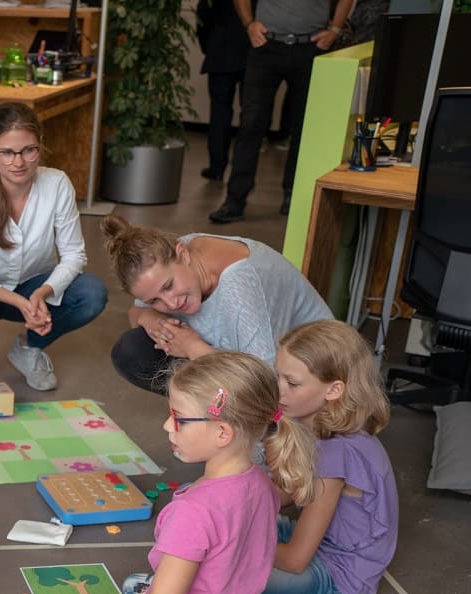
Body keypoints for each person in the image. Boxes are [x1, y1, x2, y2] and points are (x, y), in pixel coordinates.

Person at [23, 351, 317, 594]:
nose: (167, 424)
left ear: (223, 433)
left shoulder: (194, 512)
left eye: (178, 417)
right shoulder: (260, 484)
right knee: (137, 585)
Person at [0, 102, 107, 392]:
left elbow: (74, 255)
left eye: (28, 150)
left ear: (40, 146)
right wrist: (17, 302)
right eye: (6, 152)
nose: (18, 162)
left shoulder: (57, 184)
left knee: (92, 293)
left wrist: (42, 292)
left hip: (34, 287)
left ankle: (29, 347)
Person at [103, 214, 331, 394]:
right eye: (155, 300)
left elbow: (264, 380)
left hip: (303, 379)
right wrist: (149, 318)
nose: (170, 303)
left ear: (183, 253)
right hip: (238, 362)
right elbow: (136, 312)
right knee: (132, 349)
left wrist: (192, 348)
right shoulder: (168, 256)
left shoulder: (239, 285)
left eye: (168, 286)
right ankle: (218, 414)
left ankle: (250, 431)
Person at [266, 320, 398, 594]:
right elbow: (288, 493)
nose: (279, 391)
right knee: (213, 513)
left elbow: (296, 559)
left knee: (223, 571)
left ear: (334, 390)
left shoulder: (335, 454)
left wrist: (232, 542)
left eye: (292, 383)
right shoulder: (321, 427)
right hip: (320, 542)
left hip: (338, 577)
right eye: (278, 377)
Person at [209, 0, 352, 223]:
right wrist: (249, 24)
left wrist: (335, 29)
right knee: (250, 125)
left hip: (311, 47)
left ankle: (293, 195)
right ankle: (235, 200)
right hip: (266, 46)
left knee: (304, 127)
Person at [195, 0, 248, 181]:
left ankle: (217, 167)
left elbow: (203, 15)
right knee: (250, 116)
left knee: (219, 113)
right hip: (252, 51)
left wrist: (208, 46)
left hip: (221, 48)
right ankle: (241, 171)